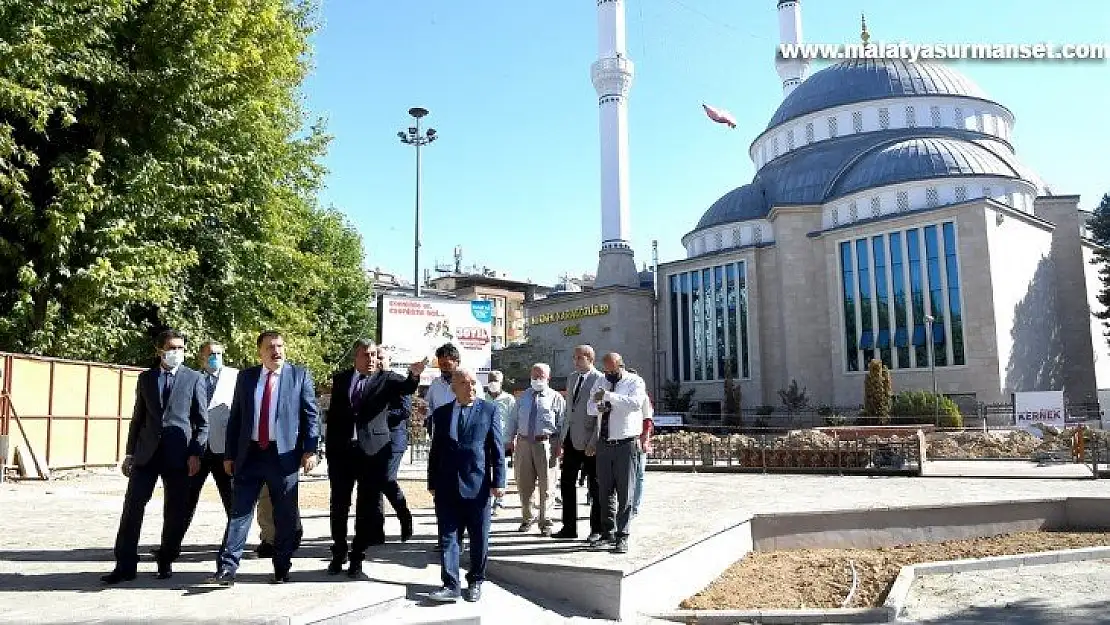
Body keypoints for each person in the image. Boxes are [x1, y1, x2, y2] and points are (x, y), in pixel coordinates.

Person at [207, 330, 320, 585]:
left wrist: (310, 450)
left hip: (284, 456)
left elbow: (311, 416)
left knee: (284, 515)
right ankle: (227, 568)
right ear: (260, 352)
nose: (276, 351)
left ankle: (281, 566)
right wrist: (229, 454)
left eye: (280, 346)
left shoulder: (299, 376)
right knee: (240, 513)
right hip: (250, 455)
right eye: (270, 347)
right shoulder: (247, 378)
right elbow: (236, 417)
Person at [102, 329, 208, 583]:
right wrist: (129, 453)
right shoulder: (146, 379)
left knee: (175, 511)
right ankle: (125, 565)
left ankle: (166, 559)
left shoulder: (194, 378)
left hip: (179, 455)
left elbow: (202, 424)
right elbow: (137, 419)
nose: (176, 353)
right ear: (160, 350)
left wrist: (196, 453)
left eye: (181, 348)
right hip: (146, 455)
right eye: (172, 348)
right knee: (132, 508)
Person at [326, 340, 424, 577]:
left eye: (373, 355)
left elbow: (407, 388)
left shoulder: (386, 379)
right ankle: (339, 552)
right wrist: (329, 449)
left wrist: (414, 375)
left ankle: (357, 555)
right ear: (355, 358)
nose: (371, 359)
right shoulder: (341, 379)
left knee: (366, 507)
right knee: (339, 505)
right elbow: (336, 416)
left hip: (372, 452)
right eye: (365, 355)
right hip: (341, 454)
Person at [425, 369, 505, 603]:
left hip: (478, 485)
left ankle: (476, 580)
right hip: (446, 484)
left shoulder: (489, 410)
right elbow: (435, 451)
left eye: (472, 383)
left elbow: (497, 450)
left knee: (479, 537)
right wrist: (432, 481)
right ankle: (451, 584)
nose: (470, 387)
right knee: (448, 537)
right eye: (464, 383)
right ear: (454, 388)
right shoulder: (441, 414)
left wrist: (498, 481)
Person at [588, 353, 652, 554]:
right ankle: (607, 533)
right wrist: (600, 405)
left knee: (625, 492)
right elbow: (590, 407)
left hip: (626, 443)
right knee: (604, 490)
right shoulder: (600, 380)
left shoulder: (634, 381)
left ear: (620, 366)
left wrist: (609, 397)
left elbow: (634, 404)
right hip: (604, 442)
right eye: (605, 370)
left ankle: (622, 536)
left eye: (611, 371)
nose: (607, 374)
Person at [177, 342, 237, 541]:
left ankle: (232, 546)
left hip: (225, 451)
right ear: (202, 356)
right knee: (185, 500)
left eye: (219, 353)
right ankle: (171, 545)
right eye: (211, 354)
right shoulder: (192, 378)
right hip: (198, 450)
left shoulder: (235, 377)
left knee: (233, 501)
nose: (216, 357)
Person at [505, 363, 565, 536]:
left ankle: (545, 521)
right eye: (534, 376)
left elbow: (561, 423)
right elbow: (513, 420)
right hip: (523, 444)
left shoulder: (555, 398)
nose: (537, 379)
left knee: (547, 485)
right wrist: (510, 439)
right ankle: (527, 518)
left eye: (541, 376)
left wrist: (560, 444)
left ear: (548, 378)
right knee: (524, 484)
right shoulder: (523, 397)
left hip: (546, 444)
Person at [553, 345, 605, 540]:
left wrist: (594, 440)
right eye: (574, 357)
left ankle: (597, 529)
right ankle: (569, 527)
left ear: (589, 358)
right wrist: (561, 439)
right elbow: (569, 411)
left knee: (595, 485)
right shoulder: (572, 377)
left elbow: (600, 412)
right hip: (571, 439)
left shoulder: (599, 379)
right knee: (567, 483)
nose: (574, 360)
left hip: (590, 441)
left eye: (578, 357)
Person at [377, 346, 416, 541]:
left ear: (389, 360)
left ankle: (404, 516)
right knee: (373, 483)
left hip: (394, 439)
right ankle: (376, 531)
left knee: (386, 479)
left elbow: (405, 411)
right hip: (372, 441)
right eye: (374, 357)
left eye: (381, 357)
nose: (377, 361)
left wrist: (380, 416)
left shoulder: (399, 381)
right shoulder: (369, 382)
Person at [484, 370, 515, 515]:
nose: (493, 384)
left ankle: (499, 501)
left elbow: (513, 420)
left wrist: (512, 439)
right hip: (485, 441)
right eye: (490, 381)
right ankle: (486, 500)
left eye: (495, 381)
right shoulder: (482, 398)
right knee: (485, 469)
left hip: (504, 441)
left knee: (502, 470)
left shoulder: (509, 399)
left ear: (501, 382)